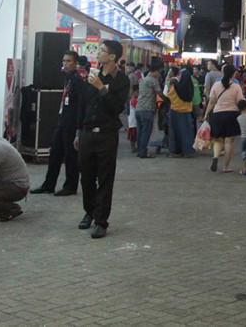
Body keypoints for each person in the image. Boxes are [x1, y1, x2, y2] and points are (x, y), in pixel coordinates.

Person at [74, 39, 130, 239]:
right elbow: (83, 106)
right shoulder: (90, 77)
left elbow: (117, 108)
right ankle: (89, 211)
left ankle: (101, 221)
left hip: (107, 134)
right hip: (88, 133)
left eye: (102, 51)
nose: (98, 54)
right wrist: (79, 132)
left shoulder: (122, 81)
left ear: (113, 57)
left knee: (105, 179)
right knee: (87, 177)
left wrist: (101, 88)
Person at [30, 50, 83, 195]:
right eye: (64, 60)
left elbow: (79, 105)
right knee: (55, 154)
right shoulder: (67, 79)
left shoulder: (78, 81)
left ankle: (70, 186)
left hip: (71, 123)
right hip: (62, 121)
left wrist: (79, 127)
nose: (65, 64)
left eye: (68, 61)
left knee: (70, 155)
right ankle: (49, 184)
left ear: (75, 63)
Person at [202, 64, 245, 173]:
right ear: (233, 74)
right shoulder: (236, 86)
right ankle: (226, 166)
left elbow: (211, 101)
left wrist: (206, 114)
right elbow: (239, 102)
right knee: (229, 142)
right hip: (231, 115)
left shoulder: (216, 85)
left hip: (217, 115)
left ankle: (215, 157)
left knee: (218, 140)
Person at [167, 64, 198, 157]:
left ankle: (174, 150)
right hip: (186, 112)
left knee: (174, 132)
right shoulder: (190, 88)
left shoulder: (176, 87)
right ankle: (187, 151)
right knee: (186, 132)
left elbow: (169, 96)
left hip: (175, 111)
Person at [134, 62, 160, 158]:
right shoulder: (153, 80)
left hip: (139, 108)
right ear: (156, 71)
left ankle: (140, 150)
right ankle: (143, 152)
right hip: (148, 109)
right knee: (146, 132)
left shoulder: (143, 80)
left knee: (140, 131)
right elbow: (159, 93)